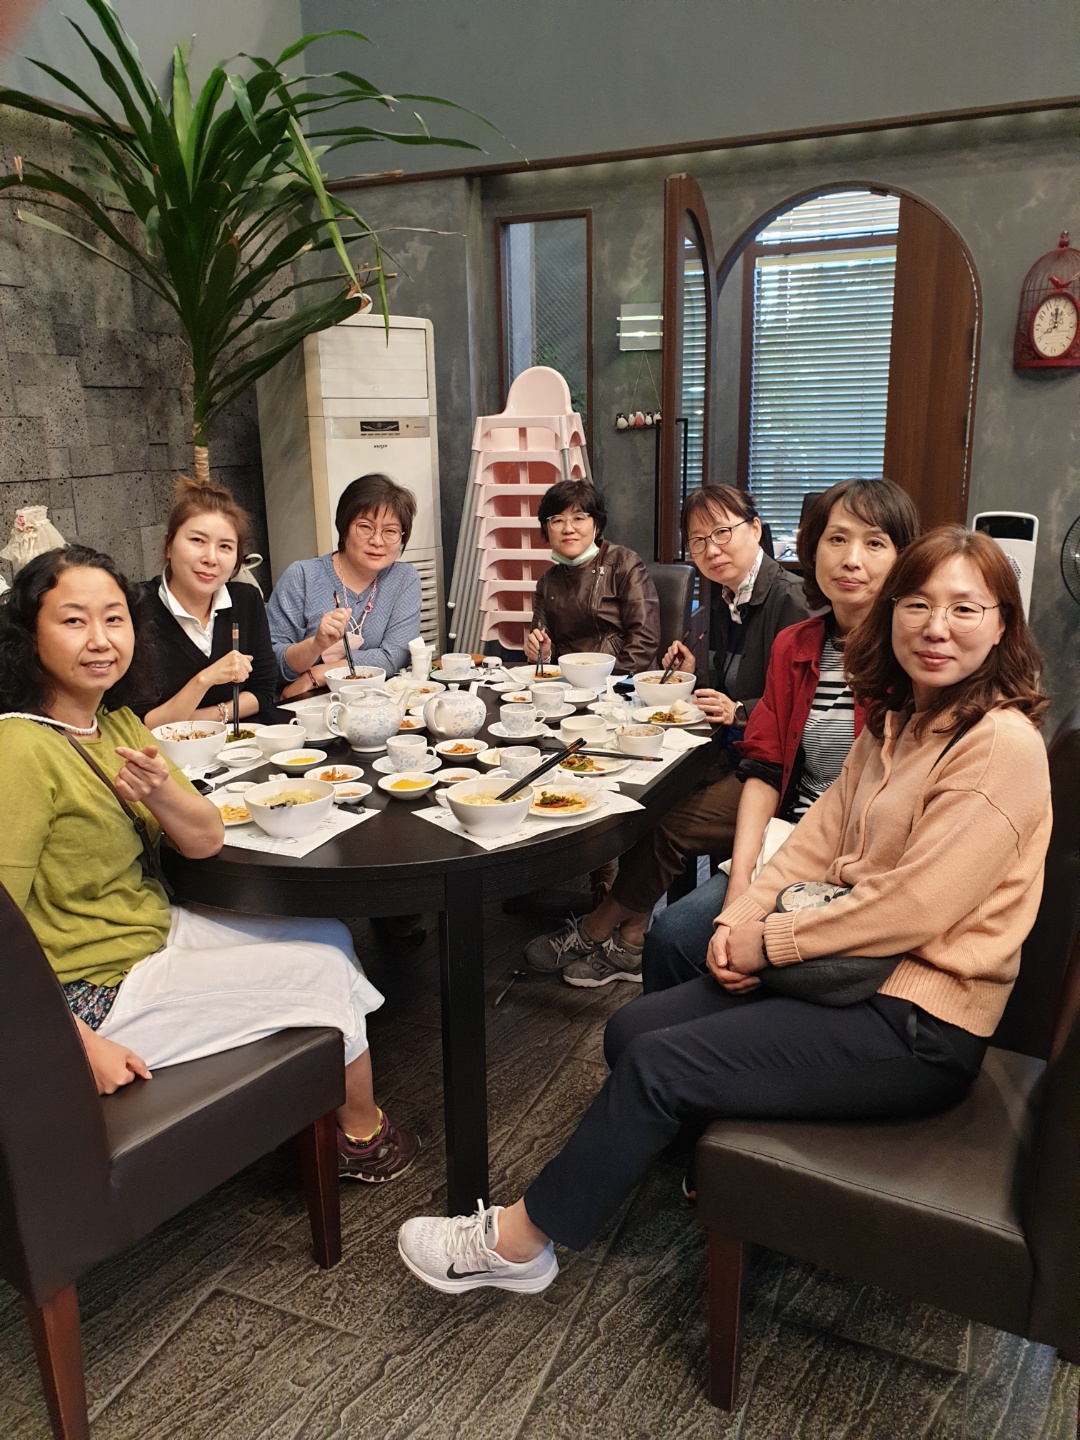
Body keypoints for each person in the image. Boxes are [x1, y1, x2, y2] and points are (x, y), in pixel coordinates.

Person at [397, 525, 1052, 1294]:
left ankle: (520, 1245)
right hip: (853, 978)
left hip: (919, 1022)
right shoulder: (898, 720)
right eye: (917, 605)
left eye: (965, 609)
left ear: (1003, 624)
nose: (936, 627)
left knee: (657, 1064)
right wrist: (741, 918)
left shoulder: (998, 744)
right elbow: (816, 837)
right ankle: (687, 1159)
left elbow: (912, 908)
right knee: (631, 1029)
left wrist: (769, 944)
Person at [0, 545, 418, 1183]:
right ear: (30, 636)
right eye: (74, 620)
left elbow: (203, 839)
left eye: (114, 619)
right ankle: (361, 1136)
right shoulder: (19, 748)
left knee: (329, 934)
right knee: (325, 971)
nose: (100, 640)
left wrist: (158, 791)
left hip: (144, 929)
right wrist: (75, 1044)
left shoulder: (115, 724)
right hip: (87, 989)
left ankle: (316, 1109)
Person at [524, 483, 809, 987]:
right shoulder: (726, 597)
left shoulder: (790, 601)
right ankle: (633, 937)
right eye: (698, 540)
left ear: (756, 529)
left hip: (778, 774)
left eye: (722, 533)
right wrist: (697, 673)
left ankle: (595, 928)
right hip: (734, 753)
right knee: (648, 794)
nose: (711, 549)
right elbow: (732, 682)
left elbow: (799, 708)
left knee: (668, 820)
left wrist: (740, 710)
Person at [644, 477, 919, 991]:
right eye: (837, 539)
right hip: (789, 838)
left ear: (903, 557)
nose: (851, 559)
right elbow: (766, 768)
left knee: (762, 966)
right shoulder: (796, 644)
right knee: (671, 938)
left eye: (875, 543)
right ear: (813, 549)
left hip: (869, 863)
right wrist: (740, 889)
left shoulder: (918, 653)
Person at [138, 477, 282, 730]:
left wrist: (204, 718)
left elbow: (264, 691)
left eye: (225, 546)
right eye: (197, 541)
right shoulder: (137, 609)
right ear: (168, 545)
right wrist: (205, 679)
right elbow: (141, 721)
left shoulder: (246, 600)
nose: (211, 558)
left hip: (242, 744)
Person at [267, 473, 422, 694]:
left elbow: (394, 656)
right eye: (365, 527)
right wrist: (315, 645)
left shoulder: (404, 579)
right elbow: (273, 663)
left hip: (374, 699)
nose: (377, 541)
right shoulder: (302, 576)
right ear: (344, 527)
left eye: (390, 531)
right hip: (304, 702)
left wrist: (318, 674)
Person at [522, 479, 660, 675]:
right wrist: (542, 654)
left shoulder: (624, 563)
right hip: (568, 683)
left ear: (597, 525)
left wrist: (606, 679)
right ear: (547, 529)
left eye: (578, 518)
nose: (568, 528)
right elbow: (543, 645)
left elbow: (644, 639)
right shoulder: (547, 582)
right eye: (557, 520)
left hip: (621, 682)